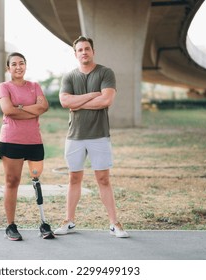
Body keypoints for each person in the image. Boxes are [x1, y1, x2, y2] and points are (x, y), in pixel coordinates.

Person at [55, 36, 129, 238]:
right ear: (76, 54)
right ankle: (69, 221)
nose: (84, 52)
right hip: (75, 136)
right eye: (80, 50)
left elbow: (107, 100)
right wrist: (91, 95)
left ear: (93, 51)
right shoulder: (69, 77)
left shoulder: (105, 72)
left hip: (99, 136)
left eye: (87, 49)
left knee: (103, 179)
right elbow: (64, 101)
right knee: (74, 178)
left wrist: (76, 103)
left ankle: (114, 223)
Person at [0, 52, 53, 241]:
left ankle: (44, 224)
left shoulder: (35, 86)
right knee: (12, 182)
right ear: (8, 68)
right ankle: (11, 226)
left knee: (36, 179)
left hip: (34, 141)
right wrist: (30, 110)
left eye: (21, 63)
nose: (18, 67)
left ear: (26, 66)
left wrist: (19, 108)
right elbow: (7, 110)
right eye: (14, 64)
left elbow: (44, 107)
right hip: (11, 140)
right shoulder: (4, 87)